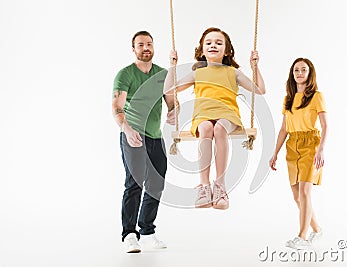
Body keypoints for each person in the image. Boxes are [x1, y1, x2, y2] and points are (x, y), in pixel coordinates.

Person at [164, 27, 266, 210]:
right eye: (208, 43)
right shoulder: (198, 73)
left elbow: (259, 90)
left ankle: (220, 186)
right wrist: (172, 66)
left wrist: (255, 67)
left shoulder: (232, 72)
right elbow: (169, 90)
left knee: (219, 129)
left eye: (219, 43)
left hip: (228, 115)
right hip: (202, 114)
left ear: (226, 50)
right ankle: (204, 185)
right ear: (202, 50)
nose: (213, 45)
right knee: (205, 129)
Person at [112, 31, 175, 253]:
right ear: (133, 49)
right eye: (140, 45)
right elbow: (117, 108)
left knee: (156, 184)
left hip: (155, 137)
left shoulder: (162, 74)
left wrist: (173, 112)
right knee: (134, 183)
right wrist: (127, 130)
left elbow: (171, 101)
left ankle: (147, 231)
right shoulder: (125, 74)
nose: (145, 48)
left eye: (149, 44)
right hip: (133, 134)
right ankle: (129, 234)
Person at [269, 58, 328, 250]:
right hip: (292, 145)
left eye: (304, 70)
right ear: (292, 74)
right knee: (297, 196)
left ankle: (302, 237)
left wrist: (321, 149)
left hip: (310, 143)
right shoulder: (288, 99)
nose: (300, 73)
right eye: (296, 70)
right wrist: (274, 153)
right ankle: (317, 230)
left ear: (310, 73)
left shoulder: (316, 96)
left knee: (305, 192)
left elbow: (326, 125)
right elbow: (284, 129)